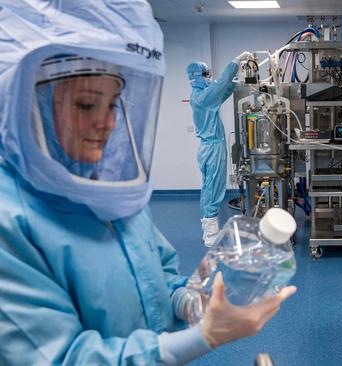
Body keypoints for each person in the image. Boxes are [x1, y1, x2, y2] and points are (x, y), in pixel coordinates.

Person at [0, 1, 295, 365]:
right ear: (27, 103)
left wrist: (195, 303)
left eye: (114, 105)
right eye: (87, 105)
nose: (108, 124)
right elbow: (64, 357)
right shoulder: (10, 224)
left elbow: (162, 277)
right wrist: (199, 339)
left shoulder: (112, 195)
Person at [187, 53, 252, 247]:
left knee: (211, 187)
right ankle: (210, 234)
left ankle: (210, 229)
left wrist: (234, 83)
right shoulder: (203, 97)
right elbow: (220, 84)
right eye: (205, 73)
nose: (209, 76)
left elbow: (222, 91)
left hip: (212, 146)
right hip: (212, 148)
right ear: (197, 76)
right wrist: (236, 62)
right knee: (213, 190)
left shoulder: (203, 96)